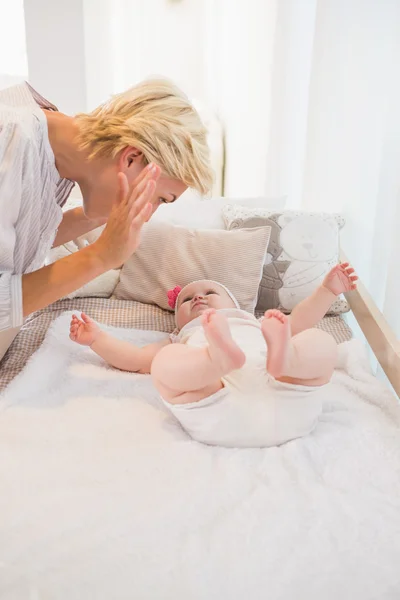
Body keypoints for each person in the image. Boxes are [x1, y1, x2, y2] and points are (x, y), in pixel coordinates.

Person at [0, 78, 213, 360]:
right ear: (131, 158)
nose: (148, 214)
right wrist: (101, 256)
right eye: (160, 198)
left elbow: (25, 238)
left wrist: (98, 218)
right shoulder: (12, 138)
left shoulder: (51, 146)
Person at [69, 263, 358, 448]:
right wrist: (98, 339)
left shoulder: (260, 324)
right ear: (178, 321)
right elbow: (134, 358)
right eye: (186, 299)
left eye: (210, 292)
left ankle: (286, 361)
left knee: (319, 341)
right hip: (220, 403)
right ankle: (216, 361)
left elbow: (303, 319)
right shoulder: (178, 339)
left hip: (281, 390)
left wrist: (326, 291)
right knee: (164, 363)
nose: (198, 298)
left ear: (237, 307)